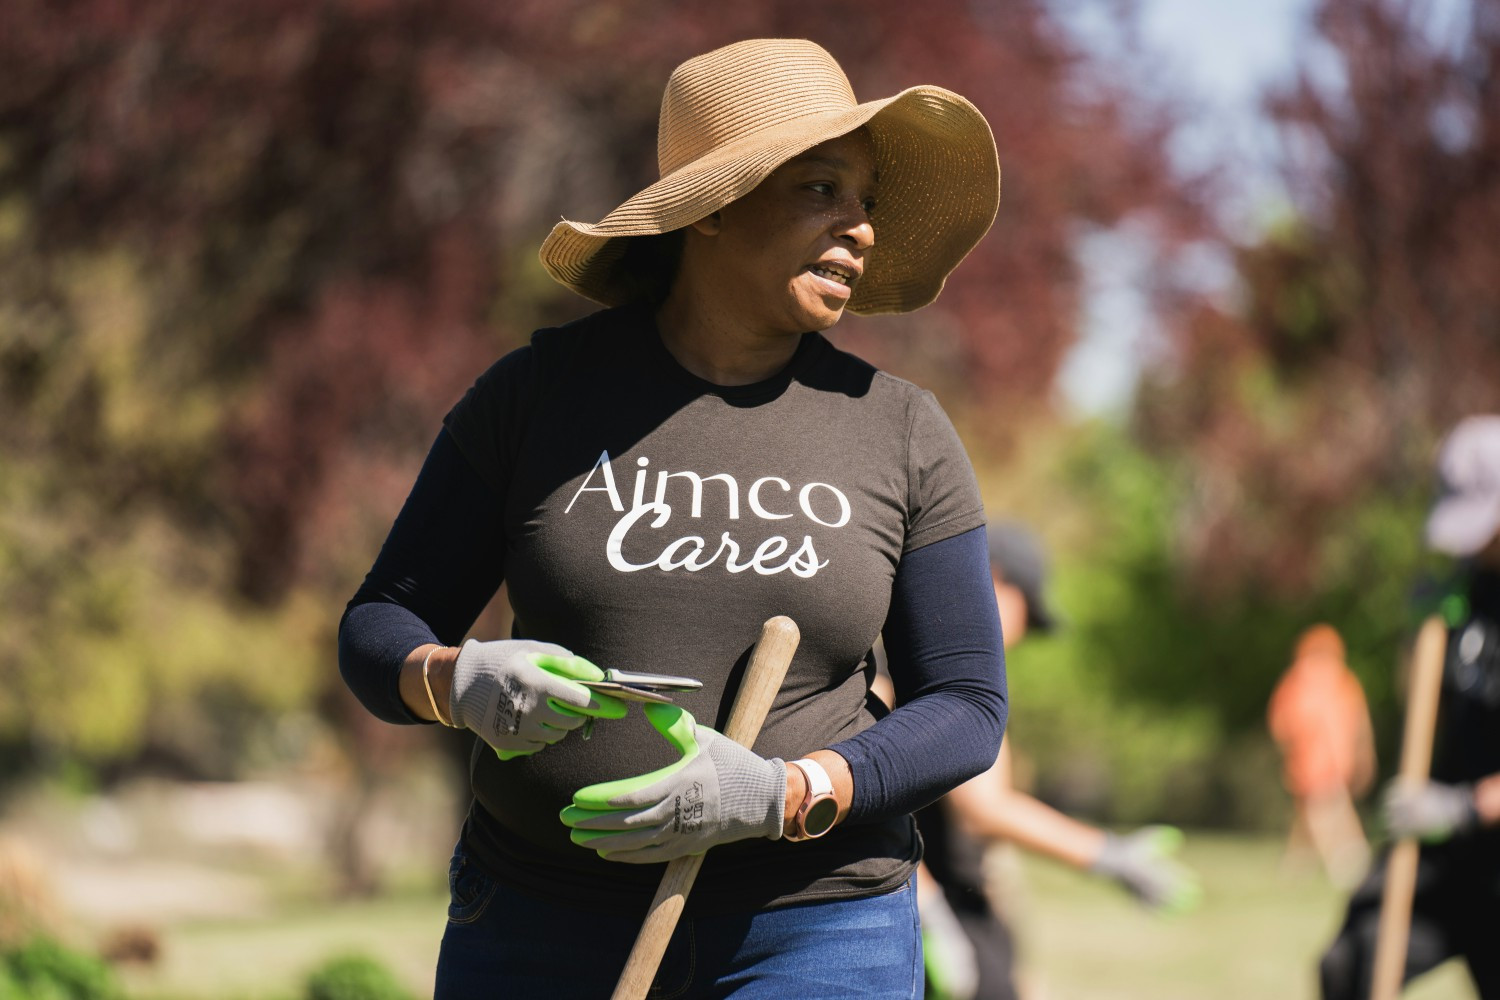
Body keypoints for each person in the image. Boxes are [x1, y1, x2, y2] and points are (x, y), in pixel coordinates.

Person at [337, 38, 1008, 999]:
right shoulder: (536, 398)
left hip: (815, 934)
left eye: (867, 200)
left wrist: (787, 794)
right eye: (822, 189)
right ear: (715, 207)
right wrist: (454, 681)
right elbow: (378, 624)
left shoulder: (901, 431)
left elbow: (969, 707)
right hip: (537, 926)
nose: (860, 227)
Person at [880, 522, 1200, 1000]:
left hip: (950, 909)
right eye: (1025, 614)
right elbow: (985, 807)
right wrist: (1106, 855)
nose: (1022, 636)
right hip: (933, 914)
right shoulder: (932, 673)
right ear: (992, 579)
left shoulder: (906, 658)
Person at [1320, 414, 1500, 1000]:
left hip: (1473, 820)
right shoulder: (1466, 586)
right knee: (1354, 961)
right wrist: (1418, 637)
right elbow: (1428, 709)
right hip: (1450, 854)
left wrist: (1465, 806)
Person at [1267, 623, 1376, 888]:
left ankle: (1348, 860)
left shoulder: (1331, 682)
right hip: (1319, 762)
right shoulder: (1319, 682)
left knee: (1323, 811)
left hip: (1324, 763)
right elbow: (1285, 724)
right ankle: (1300, 863)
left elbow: (1282, 726)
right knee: (1316, 810)